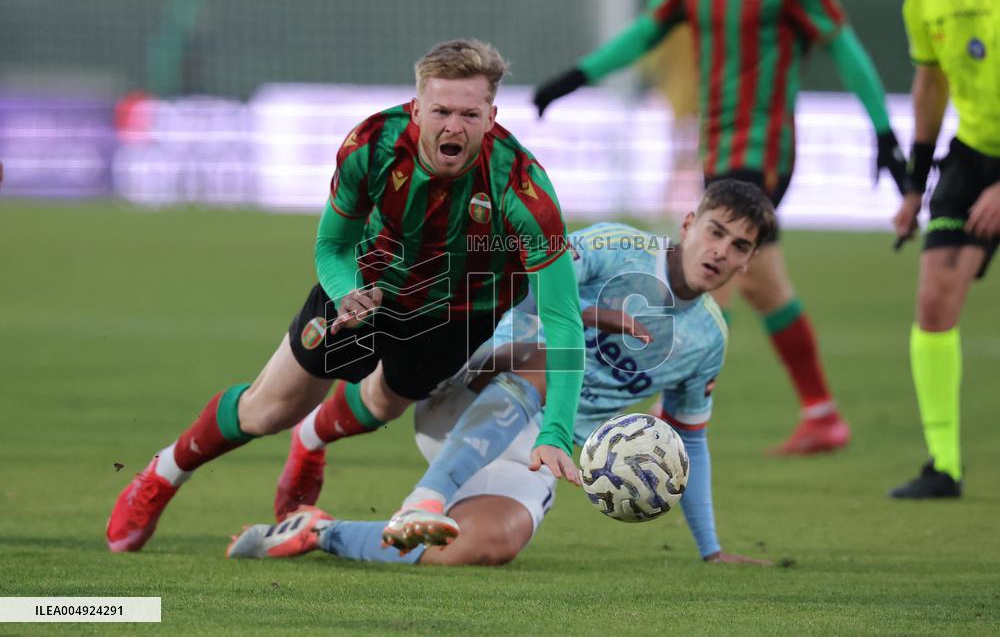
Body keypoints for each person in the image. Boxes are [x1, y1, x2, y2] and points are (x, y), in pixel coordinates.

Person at [106, 39, 586, 552]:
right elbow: (332, 246)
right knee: (267, 412)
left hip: (460, 316)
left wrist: (555, 432)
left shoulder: (523, 190)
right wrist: (346, 292)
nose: (454, 127)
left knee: (381, 405)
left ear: (491, 117)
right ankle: (163, 473)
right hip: (368, 291)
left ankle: (310, 439)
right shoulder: (373, 146)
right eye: (442, 111)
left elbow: (562, 318)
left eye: (469, 114)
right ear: (416, 109)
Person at [226, 180, 776, 566]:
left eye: (739, 246)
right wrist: (585, 315)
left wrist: (711, 549)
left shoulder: (708, 339)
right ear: (689, 223)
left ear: (748, 261)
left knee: (486, 545)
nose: (720, 252)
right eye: (715, 232)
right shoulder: (617, 247)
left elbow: (689, 439)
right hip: (480, 374)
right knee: (555, 357)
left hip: (539, 447)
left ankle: (318, 532)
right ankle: (418, 491)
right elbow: (525, 281)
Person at [531, 0, 912, 455]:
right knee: (763, 283)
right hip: (716, 144)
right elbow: (647, 30)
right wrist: (577, 76)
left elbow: (843, 45)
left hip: (763, 150)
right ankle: (822, 414)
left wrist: (884, 131)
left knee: (709, 266)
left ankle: (666, 418)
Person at [889, 0, 1000, 499]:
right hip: (974, 152)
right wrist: (915, 186)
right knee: (933, 302)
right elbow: (930, 83)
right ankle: (944, 466)